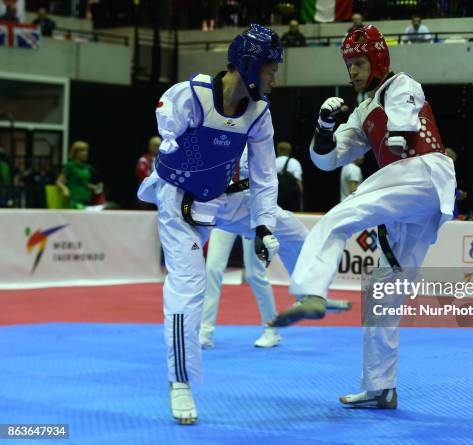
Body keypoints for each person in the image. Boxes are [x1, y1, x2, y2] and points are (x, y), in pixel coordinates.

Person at [137, 24, 350, 425]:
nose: (275, 77)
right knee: (190, 284)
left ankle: (310, 291)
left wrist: (264, 226)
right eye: (271, 68)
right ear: (250, 65)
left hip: (226, 196)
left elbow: (267, 177)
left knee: (289, 230)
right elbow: (167, 118)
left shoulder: (259, 113)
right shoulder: (195, 95)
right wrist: (170, 141)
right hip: (179, 199)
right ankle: (180, 380)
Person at [268, 25, 455, 409]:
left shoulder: (401, 85)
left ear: (379, 60)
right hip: (414, 197)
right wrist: (323, 127)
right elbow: (327, 159)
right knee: (383, 290)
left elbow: (405, 112)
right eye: (349, 64)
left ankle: (312, 293)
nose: (352, 71)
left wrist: (400, 135)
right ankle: (380, 388)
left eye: (359, 62)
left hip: (420, 173)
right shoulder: (363, 111)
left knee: (336, 219)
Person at [200, 150, 352, 349]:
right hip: (225, 210)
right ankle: (205, 332)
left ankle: (275, 327)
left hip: (254, 212)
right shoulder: (219, 136)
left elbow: (265, 183)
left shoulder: (258, 138)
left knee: (256, 274)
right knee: (212, 269)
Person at [56, 141, 103, 209]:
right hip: (75, 200)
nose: (85, 153)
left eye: (86, 151)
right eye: (82, 151)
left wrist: (95, 187)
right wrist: (65, 189)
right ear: (76, 153)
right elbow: (59, 181)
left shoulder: (86, 167)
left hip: (87, 199)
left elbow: (84, 183)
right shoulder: (70, 165)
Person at [275, 141, 303, 211]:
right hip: (291, 197)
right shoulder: (295, 163)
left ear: (278, 150)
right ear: (290, 151)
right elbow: (299, 184)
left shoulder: (272, 162)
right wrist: (301, 203)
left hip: (276, 196)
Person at [445, 148, 467, 219]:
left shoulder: (449, 172)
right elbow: (447, 192)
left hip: (451, 211)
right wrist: (459, 194)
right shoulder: (444, 173)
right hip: (446, 212)